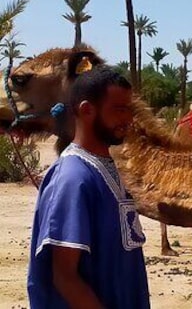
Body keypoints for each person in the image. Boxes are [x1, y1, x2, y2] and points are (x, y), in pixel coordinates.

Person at [28, 64, 150, 308]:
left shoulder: (104, 167)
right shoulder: (74, 178)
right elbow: (65, 276)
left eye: (129, 110)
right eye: (119, 110)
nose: (128, 118)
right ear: (87, 110)